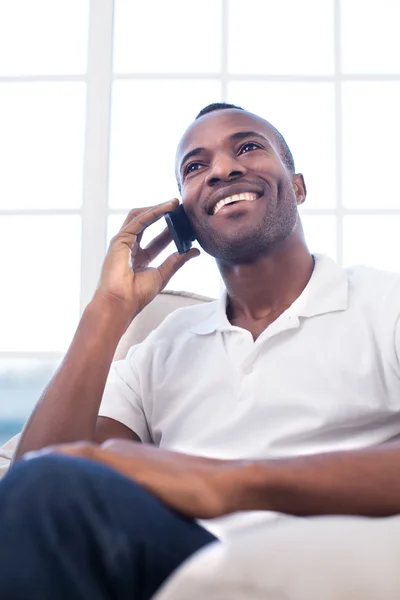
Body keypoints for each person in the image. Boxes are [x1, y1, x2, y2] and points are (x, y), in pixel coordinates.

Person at [2, 102, 400, 599]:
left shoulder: (386, 303)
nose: (223, 169)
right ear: (184, 218)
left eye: (249, 147)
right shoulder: (160, 348)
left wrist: (229, 483)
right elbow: (38, 488)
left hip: (339, 568)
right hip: (185, 570)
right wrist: (108, 310)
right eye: (195, 167)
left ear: (297, 186)